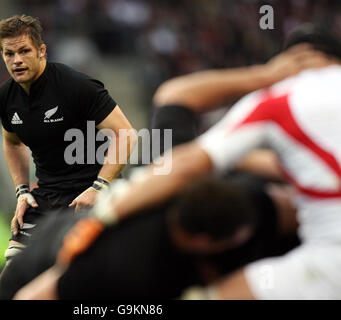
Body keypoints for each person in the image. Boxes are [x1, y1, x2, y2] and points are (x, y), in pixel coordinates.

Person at [105, 24, 341, 299]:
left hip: (161, 235)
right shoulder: (262, 141)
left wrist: (264, 76)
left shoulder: (273, 106)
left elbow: (175, 95)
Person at [0, 15, 136, 289]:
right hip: (45, 195)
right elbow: (12, 143)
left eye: (24, 51)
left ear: (41, 51)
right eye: (9, 54)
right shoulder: (5, 97)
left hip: (90, 194)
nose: (17, 60)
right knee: (10, 283)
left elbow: (126, 133)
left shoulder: (76, 86)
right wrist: (22, 191)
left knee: (79, 282)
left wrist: (99, 186)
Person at [1, 176, 279, 300]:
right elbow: (31, 297)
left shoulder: (177, 195)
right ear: (203, 243)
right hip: (33, 277)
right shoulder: (125, 265)